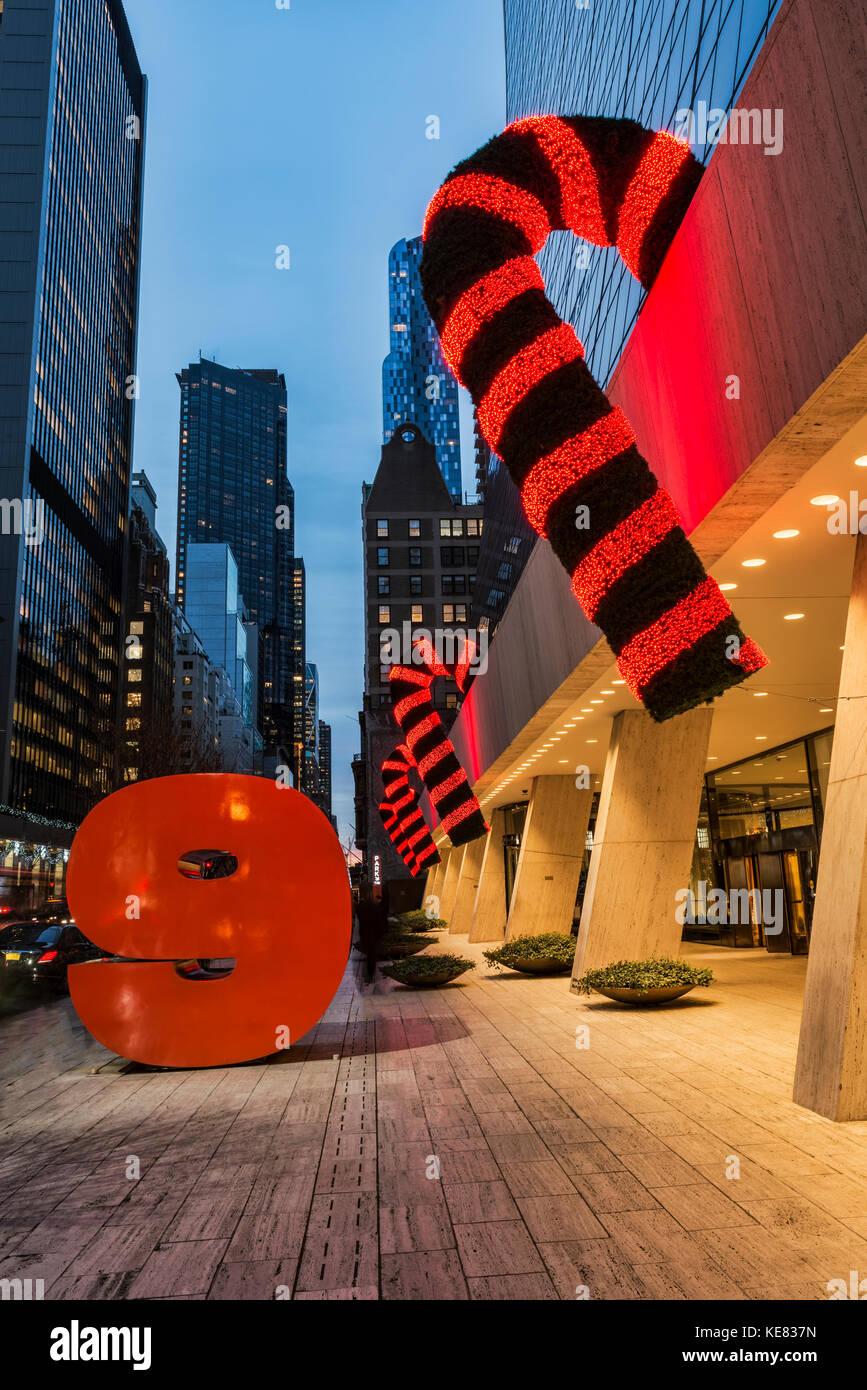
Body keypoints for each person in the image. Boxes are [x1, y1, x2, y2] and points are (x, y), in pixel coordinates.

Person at [354, 877, 387, 983]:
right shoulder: (374, 907)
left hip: (365, 933)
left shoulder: (361, 907)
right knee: (372, 953)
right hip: (373, 933)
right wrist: (381, 932)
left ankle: (369, 973)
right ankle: (371, 972)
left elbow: (359, 918)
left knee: (369, 952)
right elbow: (379, 920)